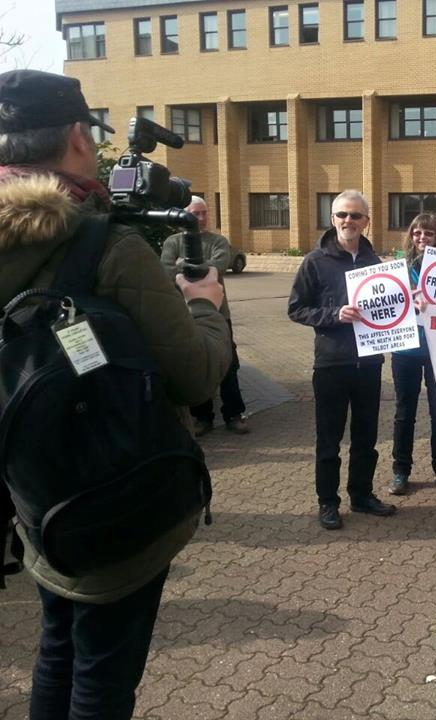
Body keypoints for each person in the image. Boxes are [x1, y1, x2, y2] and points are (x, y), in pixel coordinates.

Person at [0, 69, 231, 720]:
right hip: (118, 510)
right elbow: (196, 374)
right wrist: (207, 306)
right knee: (101, 676)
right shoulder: (105, 246)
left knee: (57, 652)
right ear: (77, 138)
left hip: (36, 502)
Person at [288, 189, 396, 530]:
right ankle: (327, 502)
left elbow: (391, 306)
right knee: (329, 438)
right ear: (333, 219)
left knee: (366, 436)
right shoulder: (315, 261)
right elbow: (296, 309)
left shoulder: (375, 263)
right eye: (342, 215)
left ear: (367, 221)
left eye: (355, 216)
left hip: (369, 363)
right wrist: (334, 314)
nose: (348, 221)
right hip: (331, 364)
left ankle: (361, 495)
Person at [162, 195, 250, 437]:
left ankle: (234, 414)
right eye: (194, 214)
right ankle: (202, 417)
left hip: (219, 313)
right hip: (188, 314)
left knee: (228, 363)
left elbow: (219, 266)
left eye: (203, 213)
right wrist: (198, 266)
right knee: (197, 365)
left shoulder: (218, 240)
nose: (200, 219)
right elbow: (164, 270)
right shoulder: (172, 242)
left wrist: (182, 265)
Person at [389, 213, 436, 495]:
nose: (422, 239)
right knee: (405, 413)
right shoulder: (398, 267)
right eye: (417, 233)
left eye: (428, 234)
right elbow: (388, 303)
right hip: (406, 349)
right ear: (411, 236)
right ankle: (400, 471)